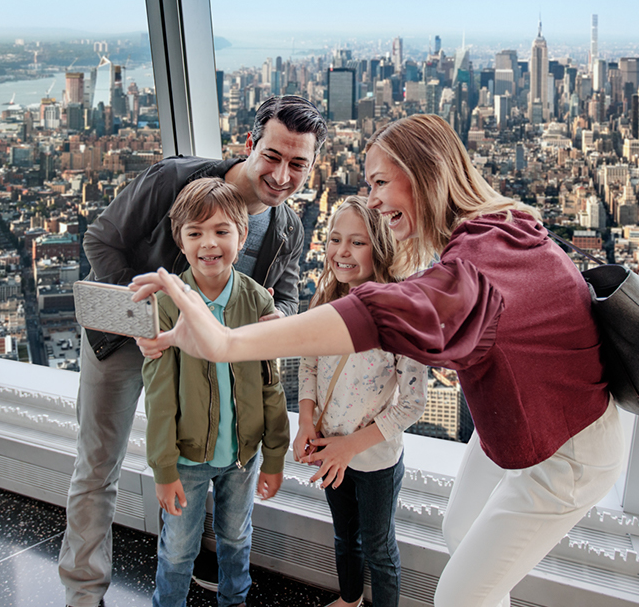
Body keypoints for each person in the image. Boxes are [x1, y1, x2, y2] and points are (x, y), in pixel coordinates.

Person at [131, 113, 624, 607]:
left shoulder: (475, 267)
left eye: (381, 182)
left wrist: (225, 344)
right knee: (461, 533)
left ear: (425, 174)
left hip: (569, 446)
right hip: (522, 420)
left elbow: (383, 312)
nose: (373, 199)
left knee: (458, 595)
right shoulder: (503, 222)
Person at [59, 95, 326, 607]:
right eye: (272, 156)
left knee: (204, 459)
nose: (282, 175)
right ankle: (83, 595)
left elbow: (288, 296)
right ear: (250, 145)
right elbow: (101, 241)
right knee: (97, 468)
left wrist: (281, 318)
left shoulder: (286, 226)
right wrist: (155, 311)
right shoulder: (173, 180)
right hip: (123, 340)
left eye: (298, 164)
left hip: (200, 363)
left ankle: (188, 564)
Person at [143, 177, 289, 607]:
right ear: (181, 243)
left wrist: (274, 456)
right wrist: (163, 467)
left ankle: (235, 600)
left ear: (242, 237)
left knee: (236, 536)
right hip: (185, 458)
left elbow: (270, 385)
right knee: (177, 547)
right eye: (196, 233)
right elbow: (158, 395)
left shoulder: (259, 300)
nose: (210, 243)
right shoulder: (168, 305)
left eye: (222, 231)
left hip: (243, 456)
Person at [293, 196, 427, 607]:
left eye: (357, 242)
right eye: (335, 239)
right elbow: (309, 364)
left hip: (373, 460)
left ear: (381, 248)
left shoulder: (402, 318)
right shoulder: (326, 303)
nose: (341, 252)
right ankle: (349, 600)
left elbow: (413, 404)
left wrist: (350, 446)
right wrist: (305, 421)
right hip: (329, 446)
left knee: (378, 548)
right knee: (343, 536)